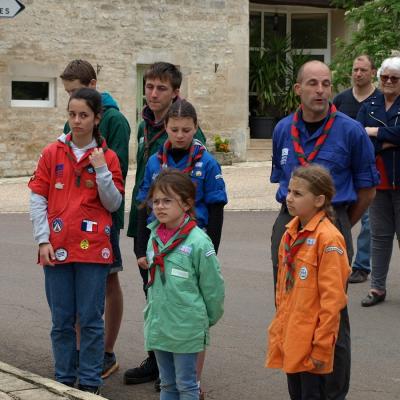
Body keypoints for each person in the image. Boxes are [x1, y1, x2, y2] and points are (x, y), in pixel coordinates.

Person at [270, 60, 379, 399]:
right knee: (290, 308)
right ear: (298, 90)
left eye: (327, 84)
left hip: (332, 221)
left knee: (331, 313)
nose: (320, 90)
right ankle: (299, 389)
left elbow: (367, 190)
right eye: (313, 84)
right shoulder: (282, 129)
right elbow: (281, 180)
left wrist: (340, 223)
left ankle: (331, 393)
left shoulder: (350, 131)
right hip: (288, 226)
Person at [28, 88, 124, 394]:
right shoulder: (51, 152)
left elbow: (113, 203)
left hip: (94, 251)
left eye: (84, 115)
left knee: (91, 321)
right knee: (62, 321)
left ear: (97, 118)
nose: (77, 121)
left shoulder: (107, 157)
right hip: (56, 247)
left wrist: (100, 170)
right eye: (72, 115)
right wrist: (43, 240)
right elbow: (37, 198)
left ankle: (90, 383)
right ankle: (64, 380)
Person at [125, 62, 206, 387]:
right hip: (148, 224)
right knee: (154, 296)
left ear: (175, 93)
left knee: (178, 298)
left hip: (178, 234)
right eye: (149, 87)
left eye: (161, 88)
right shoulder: (146, 125)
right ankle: (158, 360)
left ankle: (177, 373)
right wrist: (140, 233)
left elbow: (197, 194)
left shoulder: (183, 133)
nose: (153, 94)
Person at [60, 59, 131, 378]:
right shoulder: (71, 120)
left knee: (108, 280)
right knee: (77, 287)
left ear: (92, 84)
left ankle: (105, 352)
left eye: (76, 91)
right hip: (71, 221)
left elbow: (114, 175)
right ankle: (79, 350)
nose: (72, 102)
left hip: (102, 218)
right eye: (67, 95)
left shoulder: (115, 121)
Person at [267, 164, 351, 400]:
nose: (289, 198)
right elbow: (284, 291)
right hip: (293, 338)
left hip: (314, 343)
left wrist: (322, 346)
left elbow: (332, 301)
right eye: (289, 191)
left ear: (319, 200)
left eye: (298, 194)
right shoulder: (290, 233)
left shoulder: (329, 239)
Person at [141, 168, 225, 400]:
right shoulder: (153, 235)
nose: (159, 206)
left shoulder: (198, 241)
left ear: (187, 204)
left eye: (167, 201)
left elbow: (213, 287)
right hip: (160, 324)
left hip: (186, 327)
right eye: (156, 201)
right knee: (167, 384)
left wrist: (203, 321)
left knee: (187, 385)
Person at [357, 56, 400, 307]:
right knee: (380, 237)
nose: (389, 82)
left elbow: (367, 133)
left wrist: (374, 132)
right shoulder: (370, 103)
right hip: (377, 181)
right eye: (385, 77)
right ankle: (377, 288)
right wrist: (388, 141)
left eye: (394, 78)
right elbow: (358, 135)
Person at [333, 55, 379, 284]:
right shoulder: (341, 100)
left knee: (369, 221)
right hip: (343, 172)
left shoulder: (380, 100)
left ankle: (361, 266)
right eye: (355, 69)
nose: (358, 73)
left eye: (363, 70)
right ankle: (338, 260)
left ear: (373, 72)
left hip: (369, 169)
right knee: (339, 218)